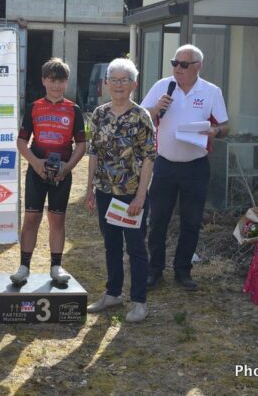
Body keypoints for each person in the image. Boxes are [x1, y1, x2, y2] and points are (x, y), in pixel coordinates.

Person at [141, 44, 229, 291]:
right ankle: (154, 269)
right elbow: (141, 116)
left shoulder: (211, 91)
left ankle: (183, 270)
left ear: (198, 66)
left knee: (191, 222)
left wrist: (215, 131)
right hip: (164, 165)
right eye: (174, 63)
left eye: (183, 64)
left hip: (196, 167)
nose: (177, 69)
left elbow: (226, 125)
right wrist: (156, 108)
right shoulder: (162, 86)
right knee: (158, 220)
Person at [85, 58, 155, 322]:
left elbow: (149, 157)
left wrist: (141, 195)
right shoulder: (99, 114)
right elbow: (93, 152)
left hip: (131, 194)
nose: (118, 85)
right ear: (106, 83)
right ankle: (113, 293)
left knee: (135, 248)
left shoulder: (141, 116)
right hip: (105, 191)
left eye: (123, 80)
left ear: (133, 84)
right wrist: (90, 188)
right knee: (111, 245)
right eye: (113, 80)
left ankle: (139, 301)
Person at [10, 58, 86, 285]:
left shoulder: (74, 109)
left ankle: (56, 266)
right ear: (44, 81)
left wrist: (67, 167)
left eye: (61, 81)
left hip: (62, 173)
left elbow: (81, 145)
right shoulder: (34, 107)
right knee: (31, 218)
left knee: (57, 220)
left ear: (67, 82)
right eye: (52, 80)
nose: (56, 85)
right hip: (37, 172)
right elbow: (22, 141)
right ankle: (24, 267)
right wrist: (35, 163)